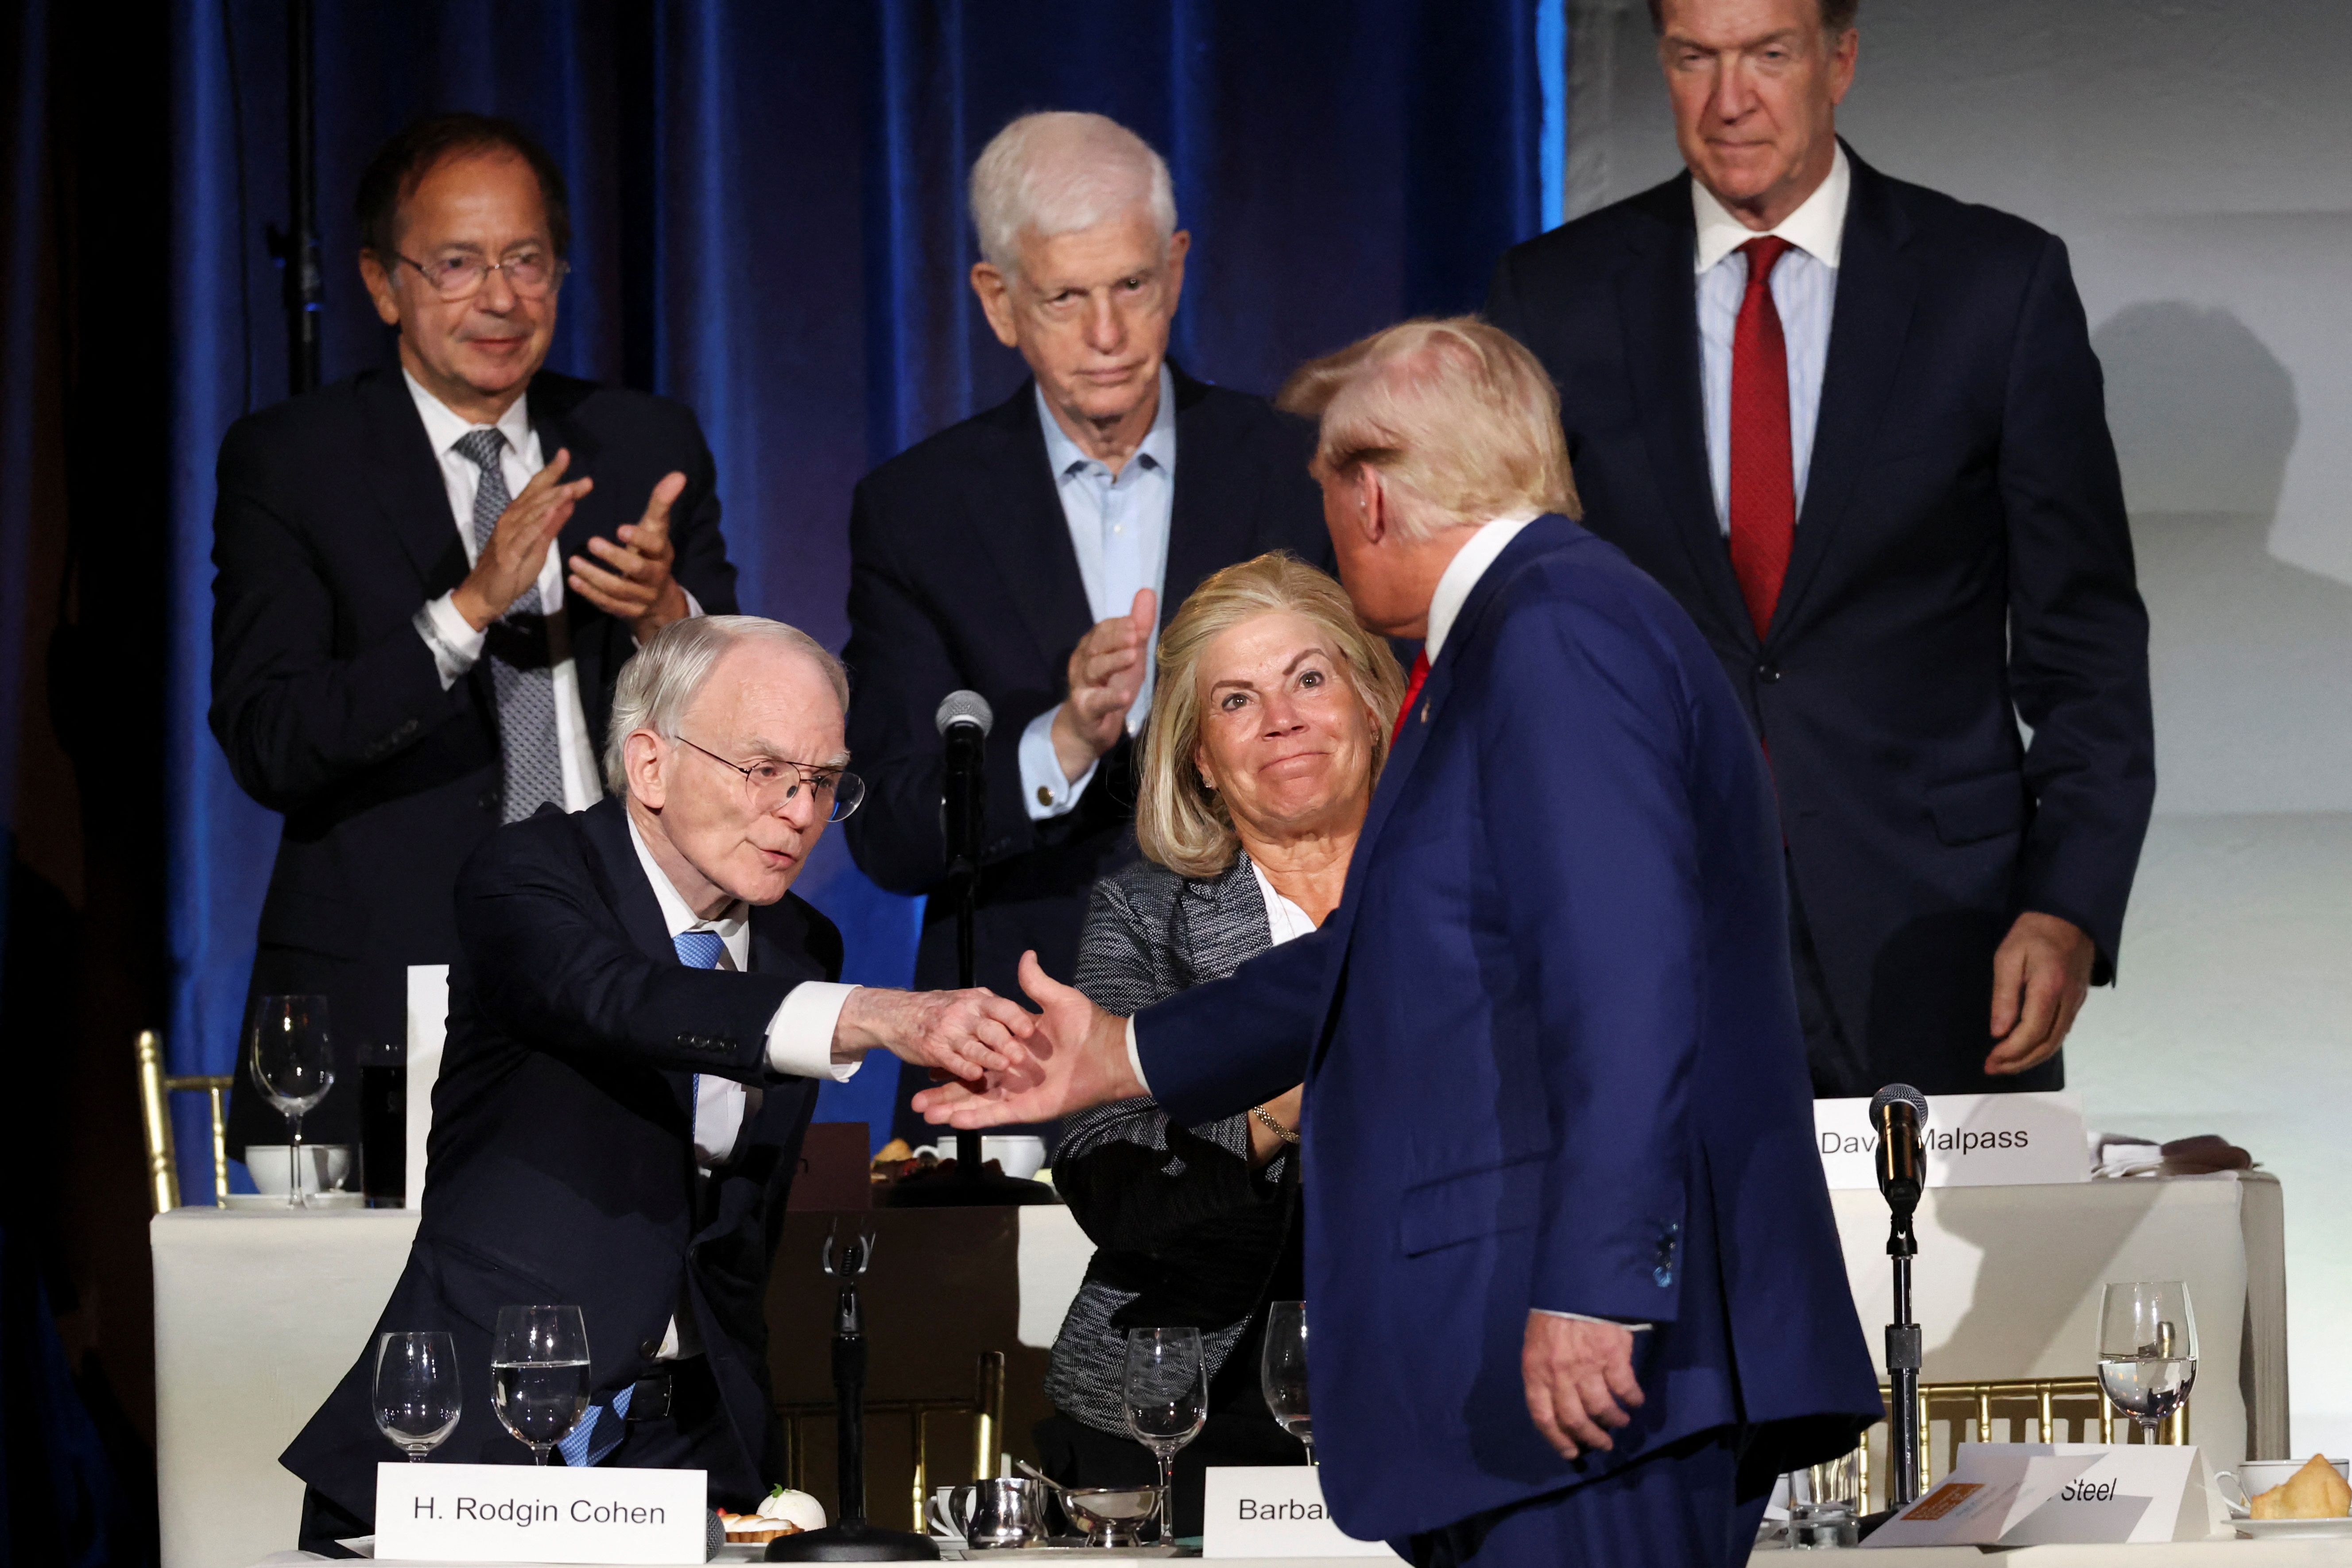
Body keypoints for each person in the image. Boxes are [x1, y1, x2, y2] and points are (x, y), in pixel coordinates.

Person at [916, 320, 1880, 1567]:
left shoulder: (1552, 634)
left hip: (1590, 1372)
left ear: (1368, 490)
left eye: (1320, 482)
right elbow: (1399, 953)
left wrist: (1594, 1282)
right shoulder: (1532, 632)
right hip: (1538, 1380)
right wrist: (1133, 1051)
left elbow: (1628, 977)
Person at [1482, 0, 2154, 1099]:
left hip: (1940, 939)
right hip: (1645, 930)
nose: (1727, 98)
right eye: (1694, 58)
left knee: (1928, 1276)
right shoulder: (1551, 296)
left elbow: (2084, 643)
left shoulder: (1994, 285)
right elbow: (1512, 625)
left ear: (1840, 61)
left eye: (1767, 55)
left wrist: (2068, 901)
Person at [282, 616, 1036, 1547]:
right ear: (649, 764)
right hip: (472, 1438)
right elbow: (617, 996)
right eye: (765, 772)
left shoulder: (802, 942)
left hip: (688, 1454)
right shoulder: (529, 877)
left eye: (822, 780)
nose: (800, 812)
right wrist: (872, 1013)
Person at [211, 112, 739, 1154]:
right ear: (381, 282)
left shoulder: (641, 441)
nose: (499, 298)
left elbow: (744, 717)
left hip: (618, 959)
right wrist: (466, 611)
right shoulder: (294, 461)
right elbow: (271, 737)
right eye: (457, 264)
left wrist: (665, 620)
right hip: (385, 983)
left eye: (525, 261)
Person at [840, 111, 1332, 1138]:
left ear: (1178, 266)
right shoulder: (917, 509)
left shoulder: (1292, 472)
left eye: (1132, 287)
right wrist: (1058, 743)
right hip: (1015, 1045)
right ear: (998, 301)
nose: (1107, 336)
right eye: (1065, 297)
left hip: (1272, 1030)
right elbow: (884, 826)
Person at [1038, 552, 1403, 1533]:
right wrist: (1283, 1112)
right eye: (1236, 699)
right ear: (1200, 754)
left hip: (1449, 1379)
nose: (1281, 717)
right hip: (1188, 1410)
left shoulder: (1476, 896)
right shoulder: (1144, 916)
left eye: (1310, 679)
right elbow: (1107, 1180)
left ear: (1372, 702)